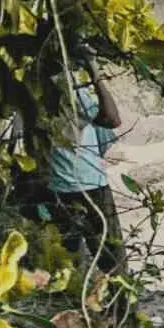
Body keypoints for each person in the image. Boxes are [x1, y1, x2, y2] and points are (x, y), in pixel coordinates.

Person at [47, 52, 126, 271]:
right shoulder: (70, 91)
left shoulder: (33, 93)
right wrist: (95, 74)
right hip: (88, 184)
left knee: (66, 259)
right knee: (111, 257)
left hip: (56, 187)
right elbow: (112, 119)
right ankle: (118, 301)